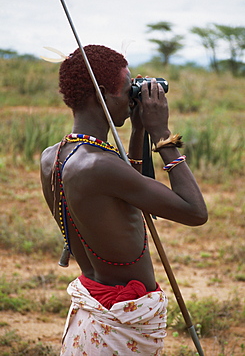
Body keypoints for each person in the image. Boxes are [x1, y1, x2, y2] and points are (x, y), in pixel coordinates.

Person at [40, 45, 208, 356]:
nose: (133, 95)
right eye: (128, 86)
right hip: (121, 322)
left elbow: (124, 192)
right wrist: (162, 134)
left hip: (94, 305)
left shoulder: (54, 157)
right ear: (103, 94)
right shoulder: (101, 165)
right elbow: (195, 211)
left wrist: (139, 129)